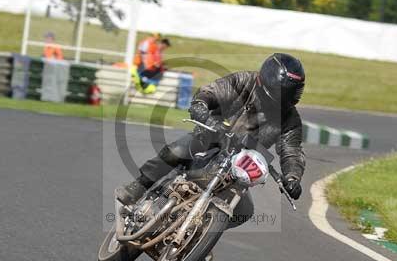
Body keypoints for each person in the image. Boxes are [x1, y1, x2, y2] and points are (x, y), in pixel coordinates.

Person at [115, 53, 306, 228]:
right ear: (267, 80)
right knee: (177, 151)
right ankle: (139, 186)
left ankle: (199, 236)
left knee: (244, 211)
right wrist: (202, 104)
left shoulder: (290, 119)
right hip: (211, 138)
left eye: (291, 92)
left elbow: (292, 151)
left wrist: (292, 177)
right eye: (283, 90)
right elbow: (214, 91)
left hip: (241, 165)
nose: (285, 96)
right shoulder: (244, 81)